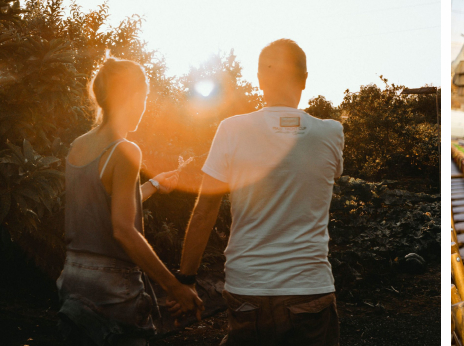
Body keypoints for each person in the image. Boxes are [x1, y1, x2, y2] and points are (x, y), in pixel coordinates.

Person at [179, 39, 343, 346]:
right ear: (305, 79)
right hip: (309, 289)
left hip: (248, 291)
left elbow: (204, 212)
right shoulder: (331, 132)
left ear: (260, 78)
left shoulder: (231, 129)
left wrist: (186, 280)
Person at [57, 56, 199, 345]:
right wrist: (174, 286)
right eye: (145, 97)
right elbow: (122, 228)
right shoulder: (125, 149)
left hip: (72, 281)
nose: (145, 106)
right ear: (133, 97)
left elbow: (100, 208)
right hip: (112, 290)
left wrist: (154, 185)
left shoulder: (78, 146)